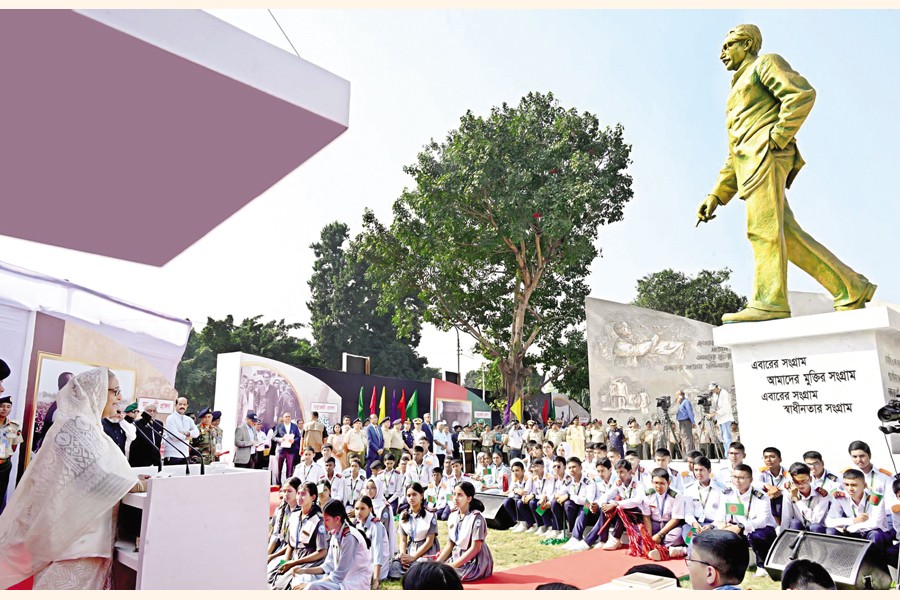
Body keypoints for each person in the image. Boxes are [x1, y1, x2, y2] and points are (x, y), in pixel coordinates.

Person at [696, 24, 875, 323]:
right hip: (751, 163)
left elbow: (801, 95)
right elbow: (737, 150)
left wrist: (777, 137)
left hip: (767, 158)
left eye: (728, 46)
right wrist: (717, 194)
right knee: (787, 236)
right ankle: (851, 287)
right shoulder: (736, 88)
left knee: (763, 231)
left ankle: (769, 302)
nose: (722, 54)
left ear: (748, 43)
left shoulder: (765, 64)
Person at [0, 368, 150, 589]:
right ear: (95, 391)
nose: (119, 397)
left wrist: (130, 477)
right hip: (75, 540)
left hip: (87, 536)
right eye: (115, 391)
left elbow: (97, 469)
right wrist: (137, 484)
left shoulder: (89, 425)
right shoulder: (76, 426)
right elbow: (94, 479)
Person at [292, 499, 373, 590]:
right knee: (300, 578)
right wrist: (303, 571)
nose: (324, 523)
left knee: (311, 587)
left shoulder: (349, 537)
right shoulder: (335, 534)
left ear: (337, 519)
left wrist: (309, 584)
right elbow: (328, 565)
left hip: (353, 584)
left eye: (326, 520)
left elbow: (339, 575)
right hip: (340, 580)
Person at [716, 464, 777, 578]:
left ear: (751, 480)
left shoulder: (760, 496)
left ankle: (762, 566)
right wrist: (720, 525)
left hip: (761, 530)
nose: (737, 481)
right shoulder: (728, 493)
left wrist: (741, 526)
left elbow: (762, 521)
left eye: (742, 478)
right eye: (734, 477)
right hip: (737, 529)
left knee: (757, 535)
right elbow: (720, 516)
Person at [825, 468, 891, 556]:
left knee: (875, 535)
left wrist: (851, 528)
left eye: (854, 485)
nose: (850, 488)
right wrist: (853, 521)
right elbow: (829, 521)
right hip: (852, 532)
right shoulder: (840, 497)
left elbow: (876, 523)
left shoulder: (875, 497)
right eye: (846, 484)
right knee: (831, 531)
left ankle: (876, 566)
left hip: (872, 532)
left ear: (864, 485)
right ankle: (836, 563)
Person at [437, 481, 493, 582]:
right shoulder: (453, 515)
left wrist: (452, 566)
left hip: (475, 562)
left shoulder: (477, 518)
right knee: (434, 570)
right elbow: (450, 544)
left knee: (444, 576)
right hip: (457, 556)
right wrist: (436, 563)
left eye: (460, 495)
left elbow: (475, 548)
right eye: (454, 494)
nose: (455, 498)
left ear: (469, 498)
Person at [391, 482, 441, 579]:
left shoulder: (430, 515)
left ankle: (412, 571)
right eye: (409, 495)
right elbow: (403, 540)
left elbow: (429, 542)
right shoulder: (403, 515)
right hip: (411, 548)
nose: (411, 498)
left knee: (420, 565)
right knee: (394, 566)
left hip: (426, 550)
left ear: (421, 495)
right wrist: (403, 557)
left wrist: (414, 557)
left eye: (414, 494)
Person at [600, 459, 646, 550]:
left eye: (622, 472)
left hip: (638, 513)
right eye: (617, 472)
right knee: (605, 507)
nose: (619, 475)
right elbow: (607, 495)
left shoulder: (638, 484)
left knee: (621, 509)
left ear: (630, 472)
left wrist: (616, 503)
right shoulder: (618, 483)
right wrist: (604, 504)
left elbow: (637, 501)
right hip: (624, 510)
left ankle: (615, 539)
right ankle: (603, 539)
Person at [643, 468, 688, 560]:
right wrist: (649, 537)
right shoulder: (648, 494)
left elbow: (676, 519)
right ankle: (665, 549)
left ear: (669, 483)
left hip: (670, 525)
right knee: (641, 535)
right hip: (654, 524)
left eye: (662, 483)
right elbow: (646, 517)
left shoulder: (676, 495)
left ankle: (662, 550)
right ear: (652, 482)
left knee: (678, 536)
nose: (658, 486)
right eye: (656, 483)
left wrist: (660, 535)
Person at [682, 456, 726, 544]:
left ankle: (691, 553)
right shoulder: (689, 489)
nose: (698, 473)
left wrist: (712, 525)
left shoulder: (721, 489)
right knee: (688, 537)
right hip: (695, 524)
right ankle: (693, 554)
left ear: (709, 470)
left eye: (701, 470)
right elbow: (688, 513)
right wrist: (694, 523)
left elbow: (722, 512)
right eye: (696, 470)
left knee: (712, 541)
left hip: (714, 524)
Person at [354, 495, 390, 588]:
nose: (359, 512)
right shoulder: (358, 524)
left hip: (377, 566)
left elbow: (378, 552)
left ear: (370, 509)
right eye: (357, 509)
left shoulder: (376, 525)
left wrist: (376, 579)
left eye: (363, 509)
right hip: (366, 562)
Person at [0, 394, 23, 515]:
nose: (5, 409)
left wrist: (7, 456)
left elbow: (15, 443)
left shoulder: (13, 426)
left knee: (1, 492)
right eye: (2, 406)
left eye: (8, 407)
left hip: (4, 465)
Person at [163, 396, 199, 466]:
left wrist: (188, 433)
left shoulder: (189, 419)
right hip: (172, 455)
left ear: (187, 406)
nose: (182, 406)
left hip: (185, 455)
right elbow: (174, 436)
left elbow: (197, 433)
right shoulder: (171, 418)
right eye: (180, 404)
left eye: (184, 404)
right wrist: (187, 437)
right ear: (175, 405)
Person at [129, 402, 162, 468]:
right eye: (149, 411)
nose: (152, 413)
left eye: (154, 411)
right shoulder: (136, 424)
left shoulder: (159, 424)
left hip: (156, 459)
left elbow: (158, 442)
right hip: (141, 459)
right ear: (144, 412)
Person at [272, 412, 301, 485]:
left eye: (289, 417)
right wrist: (280, 439)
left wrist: (294, 440)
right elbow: (273, 437)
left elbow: (298, 437)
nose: (288, 418)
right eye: (286, 417)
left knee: (290, 469)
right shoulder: (279, 426)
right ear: (283, 418)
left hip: (291, 450)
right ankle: (278, 485)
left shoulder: (294, 426)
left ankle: (288, 485)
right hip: (280, 450)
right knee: (278, 469)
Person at [706, 383, 733, 451]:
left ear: (717, 387)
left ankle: (728, 453)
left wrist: (713, 414)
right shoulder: (715, 395)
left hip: (726, 418)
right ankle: (726, 453)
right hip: (720, 419)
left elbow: (725, 408)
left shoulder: (724, 393)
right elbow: (716, 406)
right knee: (723, 438)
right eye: (711, 390)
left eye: (713, 389)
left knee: (727, 437)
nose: (712, 391)